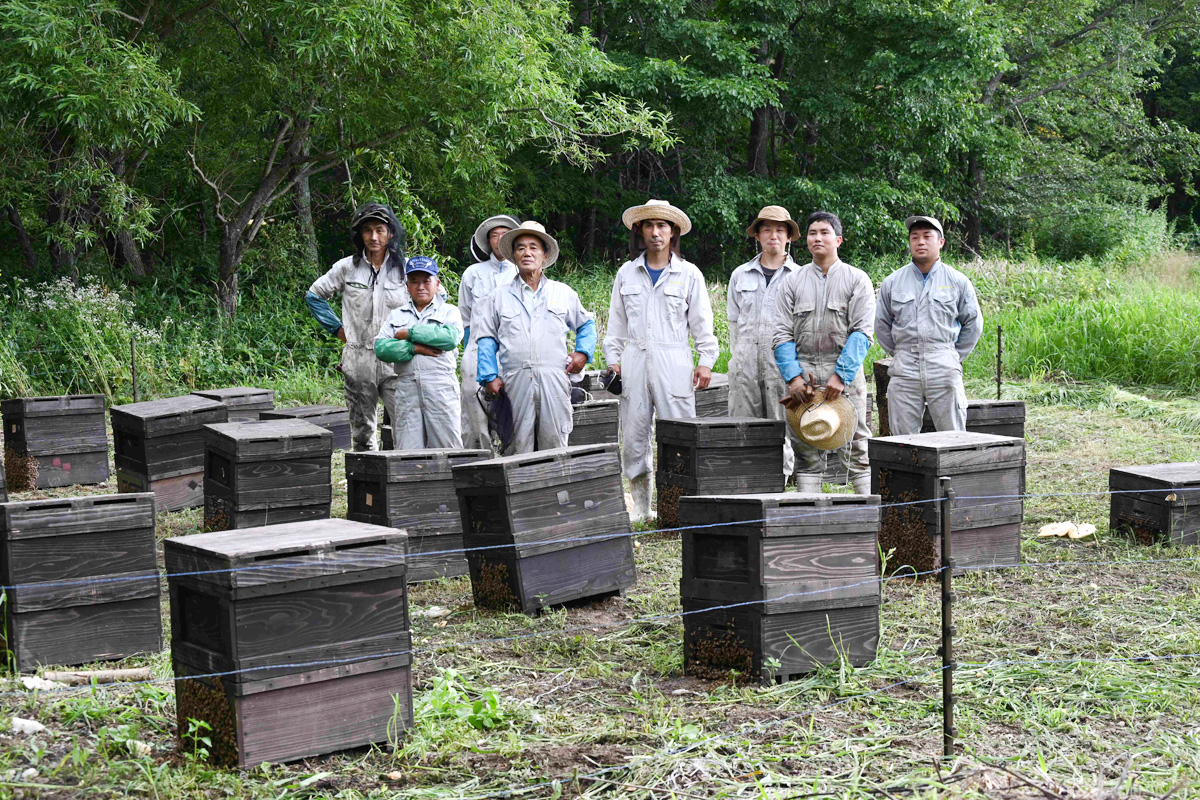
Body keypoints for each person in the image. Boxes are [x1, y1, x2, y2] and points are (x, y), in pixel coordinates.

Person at [604, 199, 719, 523]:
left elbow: (702, 325)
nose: (656, 232)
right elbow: (616, 327)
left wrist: (705, 361)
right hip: (635, 360)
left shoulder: (689, 274)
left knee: (679, 434)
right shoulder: (626, 273)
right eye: (649, 225)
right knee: (635, 436)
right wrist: (614, 362)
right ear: (640, 231)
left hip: (675, 360)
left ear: (673, 232)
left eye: (663, 226)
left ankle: (678, 507)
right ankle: (641, 509)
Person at [772, 211, 876, 495]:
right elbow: (781, 333)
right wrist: (793, 378)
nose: (817, 238)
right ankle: (809, 520)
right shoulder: (792, 282)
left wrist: (841, 376)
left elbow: (863, 332)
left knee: (856, 445)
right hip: (803, 375)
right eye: (812, 233)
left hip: (845, 376)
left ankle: (867, 517)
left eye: (825, 232)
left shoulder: (857, 280)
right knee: (806, 448)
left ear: (838, 240)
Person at [474, 221, 596, 454]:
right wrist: (489, 375)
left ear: (544, 254)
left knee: (555, 446)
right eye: (520, 248)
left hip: (554, 378)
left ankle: (555, 492)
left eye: (533, 247)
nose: (526, 253)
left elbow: (587, 324)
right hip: (515, 379)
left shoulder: (563, 292)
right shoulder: (498, 296)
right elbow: (487, 338)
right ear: (513, 255)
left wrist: (582, 353)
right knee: (517, 447)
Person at [306, 202, 408, 451]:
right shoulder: (346, 267)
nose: (374, 237)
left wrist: (413, 336)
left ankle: (402, 479)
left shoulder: (405, 268)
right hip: (358, 356)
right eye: (367, 231)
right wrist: (338, 330)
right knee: (363, 431)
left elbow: (432, 299)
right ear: (360, 235)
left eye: (380, 230)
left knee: (405, 423)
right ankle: (368, 482)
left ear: (390, 233)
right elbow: (314, 295)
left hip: (396, 357)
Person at [875, 215, 983, 434]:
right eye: (914, 237)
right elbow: (881, 324)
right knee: (903, 441)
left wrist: (952, 355)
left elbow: (973, 323)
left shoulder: (957, 281)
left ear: (941, 242)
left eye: (927, 236)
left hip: (943, 366)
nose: (920, 242)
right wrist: (900, 352)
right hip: (905, 369)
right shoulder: (892, 282)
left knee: (953, 436)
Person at [727, 205, 802, 480]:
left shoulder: (800, 276)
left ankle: (780, 482)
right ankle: (745, 482)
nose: (773, 235)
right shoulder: (740, 275)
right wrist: (739, 360)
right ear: (757, 235)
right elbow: (734, 324)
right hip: (744, 366)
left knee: (782, 428)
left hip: (782, 367)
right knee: (742, 427)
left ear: (789, 237)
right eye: (766, 229)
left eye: (780, 230)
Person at [374, 256, 464, 449]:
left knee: (448, 448)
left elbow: (449, 339)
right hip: (407, 387)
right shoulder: (396, 315)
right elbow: (381, 348)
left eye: (426, 281)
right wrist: (414, 348)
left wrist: (410, 333)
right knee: (408, 450)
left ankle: (447, 480)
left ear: (437, 283)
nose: (420, 286)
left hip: (441, 386)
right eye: (414, 281)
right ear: (407, 286)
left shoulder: (450, 312)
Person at [458, 215, 521, 452]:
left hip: (512, 350)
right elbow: (465, 316)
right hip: (476, 349)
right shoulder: (472, 273)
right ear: (488, 241)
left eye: (505, 234)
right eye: (494, 235)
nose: (499, 239)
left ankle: (510, 462)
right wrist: (471, 350)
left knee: (511, 411)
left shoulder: (521, 270)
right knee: (475, 413)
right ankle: (478, 463)